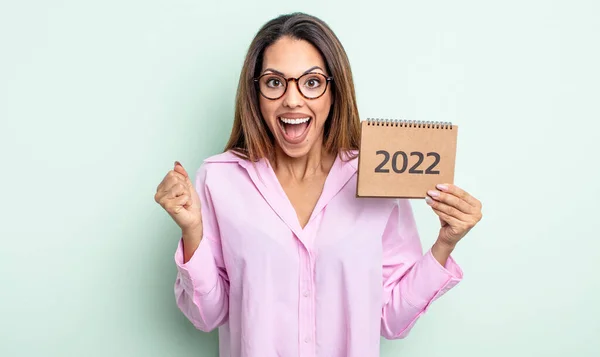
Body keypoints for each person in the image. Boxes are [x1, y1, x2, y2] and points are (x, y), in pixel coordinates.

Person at [154, 12, 483, 357]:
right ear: (255, 92)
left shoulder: (376, 176)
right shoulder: (219, 179)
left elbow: (389, 319)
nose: (292, 100)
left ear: (333, 90)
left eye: (311, 82)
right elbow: (209, 315)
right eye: (274, 82)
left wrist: (445, 243)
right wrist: (192, 231)